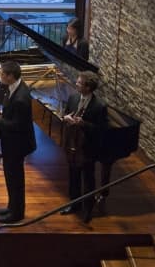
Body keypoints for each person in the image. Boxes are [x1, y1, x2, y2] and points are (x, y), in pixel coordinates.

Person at [0, 60, 36, 224]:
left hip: (17, 144)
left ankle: (17, 213)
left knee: (16, 179)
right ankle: (11, 207)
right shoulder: (12, 89)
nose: (0, 75)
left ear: (10, 76)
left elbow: (17, 125)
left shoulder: (21, 98)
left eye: (2, 74)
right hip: (11, 142)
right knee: (10, 177)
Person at [60, 70, 108, 221]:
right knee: (73, 176)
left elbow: (101, 130)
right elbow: (66, 114)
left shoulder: (99, 106)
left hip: (87, 148)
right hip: (73, 144)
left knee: (88, 179)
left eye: (79, 83)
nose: (76, 84)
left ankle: (88, 210)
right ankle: (74, 204)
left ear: (88, 87)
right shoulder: (73, 98)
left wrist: (84, 124)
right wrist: (66, 117)